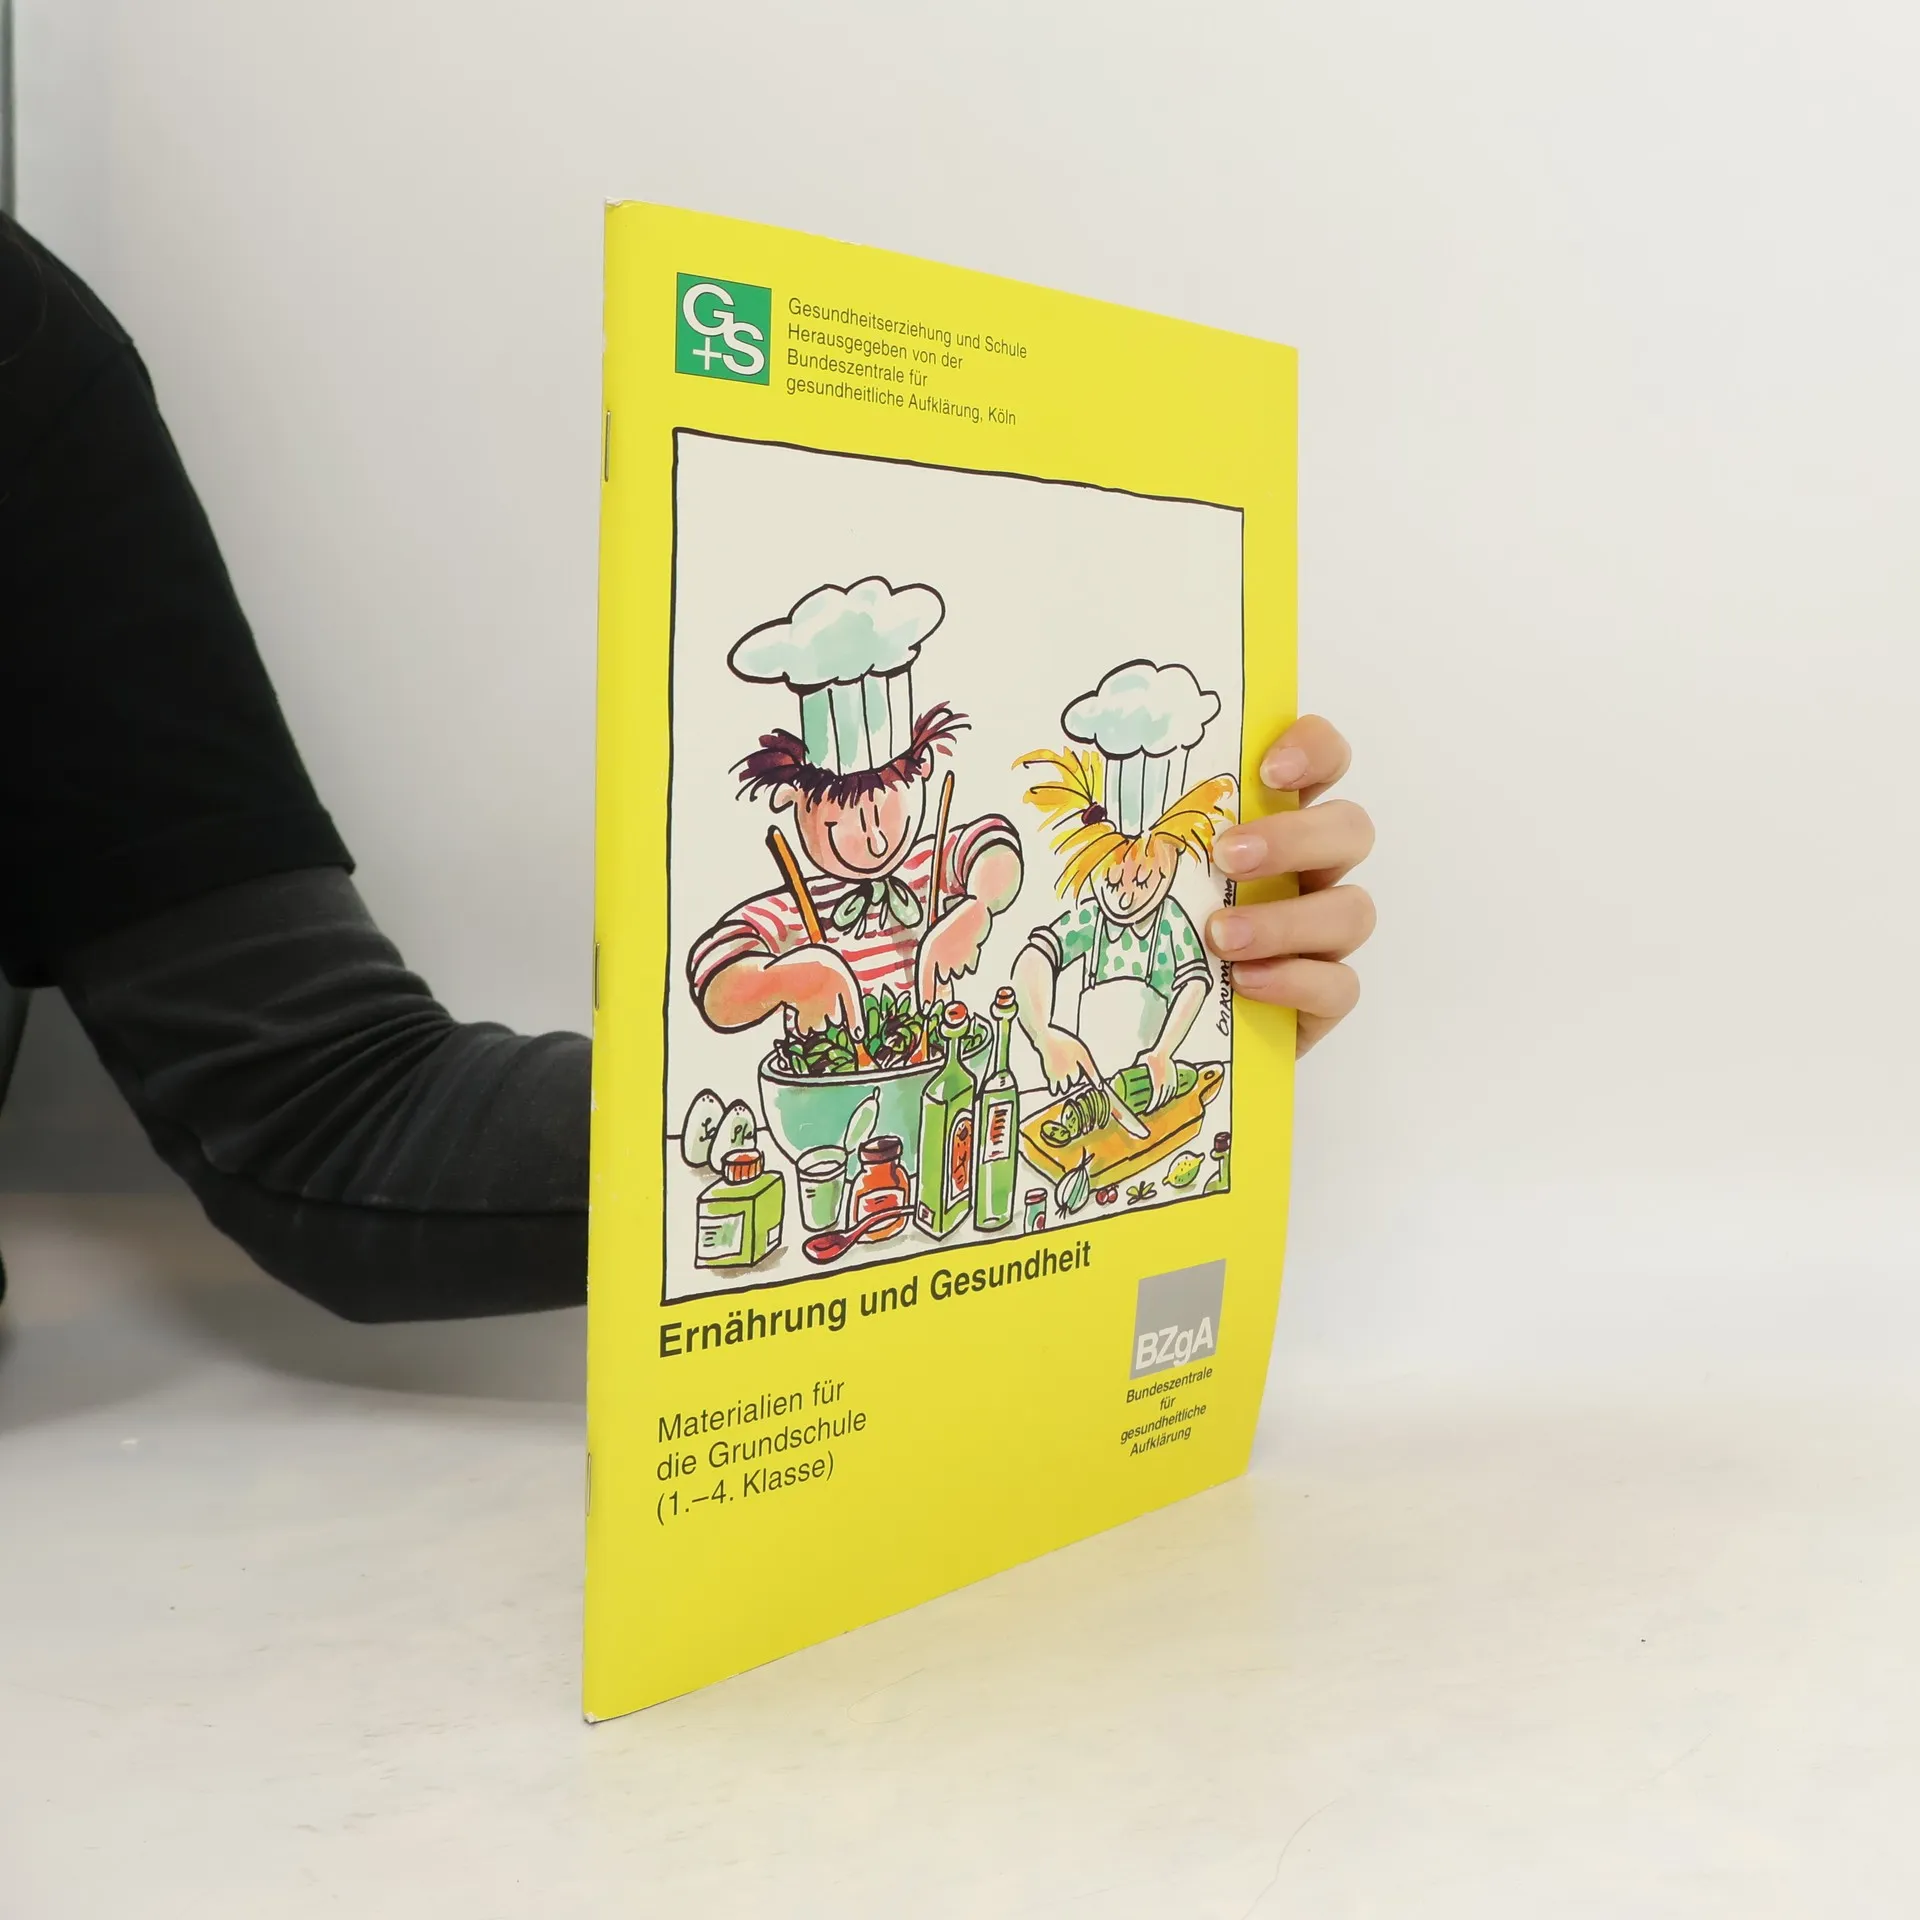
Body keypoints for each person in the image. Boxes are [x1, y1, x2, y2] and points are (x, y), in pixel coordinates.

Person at [0, 210, 1374, 1324]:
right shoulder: (783, 908)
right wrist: (787, 983)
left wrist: (1169, 1015)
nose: (873, 828)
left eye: (893, 793)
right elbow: (732, 976)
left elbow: (334, 1119)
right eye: (841, 803)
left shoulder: (26, 354)